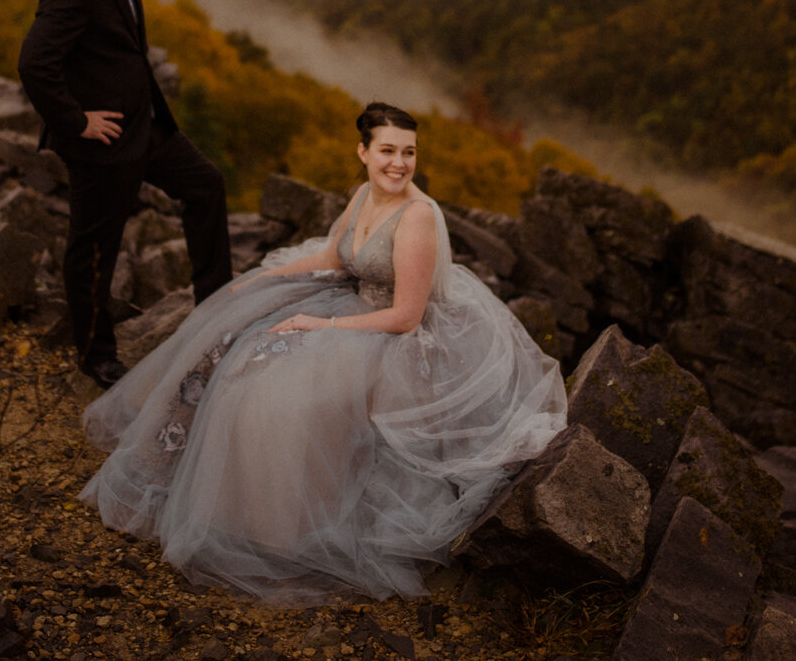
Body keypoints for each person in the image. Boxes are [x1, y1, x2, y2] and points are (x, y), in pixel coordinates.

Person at [80, 103, 568, 604]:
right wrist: (263, 280)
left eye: (409, 153)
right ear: (363, 152)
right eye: (387, 151)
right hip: (352, 304)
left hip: (395, 335)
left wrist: (324, 324)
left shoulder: (419, 216)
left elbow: (406, 318)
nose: (398, 164)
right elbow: (335, 257)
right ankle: (237, 514)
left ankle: (285, 535)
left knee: (284, 397)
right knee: (241, 357)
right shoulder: (362, 195)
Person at [18, 0, 233, 389]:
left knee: (206, 187)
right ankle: (96, 355)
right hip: (104, 138)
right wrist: (76, 123)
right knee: (94, 249)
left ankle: (216, 317)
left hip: (147, 124)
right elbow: (34, 62)